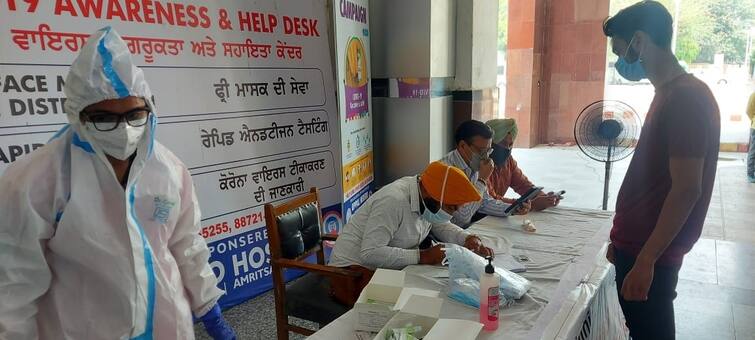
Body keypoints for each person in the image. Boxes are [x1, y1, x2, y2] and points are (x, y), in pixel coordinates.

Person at [0, 28, 235, 340]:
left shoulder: (169, 171)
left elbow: (186, 245)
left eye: (134, 114)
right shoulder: (35, 181)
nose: (123, 129)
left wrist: (211, 312)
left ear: (149, 109)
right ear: (77, 115)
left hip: (167, 326)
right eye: (104, 117)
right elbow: (15, 288)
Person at [603, 2, 720, 339]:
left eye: (620, 50)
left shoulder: (686, 99)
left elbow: (686, 189)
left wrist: (646, 260)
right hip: (636, 246)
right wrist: (620, 238)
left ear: (639, 41)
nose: (620, 62)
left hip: (649, 251)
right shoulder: (668, 93)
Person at [328, 161, 495, 305]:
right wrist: (424, 256)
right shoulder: (393, 201)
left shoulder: (426, 196)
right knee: (417, 302)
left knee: (440, 291)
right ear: (432, 195)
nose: (452, 214)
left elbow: (440, 223)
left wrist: (467, 238)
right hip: (351, 272)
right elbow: (370, 253)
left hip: (386, 268)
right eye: (451, 208)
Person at [440, 120, 529, 228]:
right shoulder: (447, 170)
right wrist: (482, 180)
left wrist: (513, 208)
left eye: (488, 151)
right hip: (445, 234)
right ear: (463, 146)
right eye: (482, 151)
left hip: (463, 229)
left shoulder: (474, 164)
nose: (486, 157)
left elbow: (485, 202)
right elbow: (463, 216)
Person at [486, 118, 561, 211]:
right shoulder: (480, 164)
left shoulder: (508, 161)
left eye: (510, 145)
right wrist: (529, 205)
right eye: (503, 143)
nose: (507, 149)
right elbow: (490, 200)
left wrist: (544, 197)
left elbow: (523, 185)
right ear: (490, 143)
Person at [747, 91, 755, 183]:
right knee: (753, 151)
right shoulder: (753, 95)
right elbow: (748, 111)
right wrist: (753, 119)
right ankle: (750, 174)